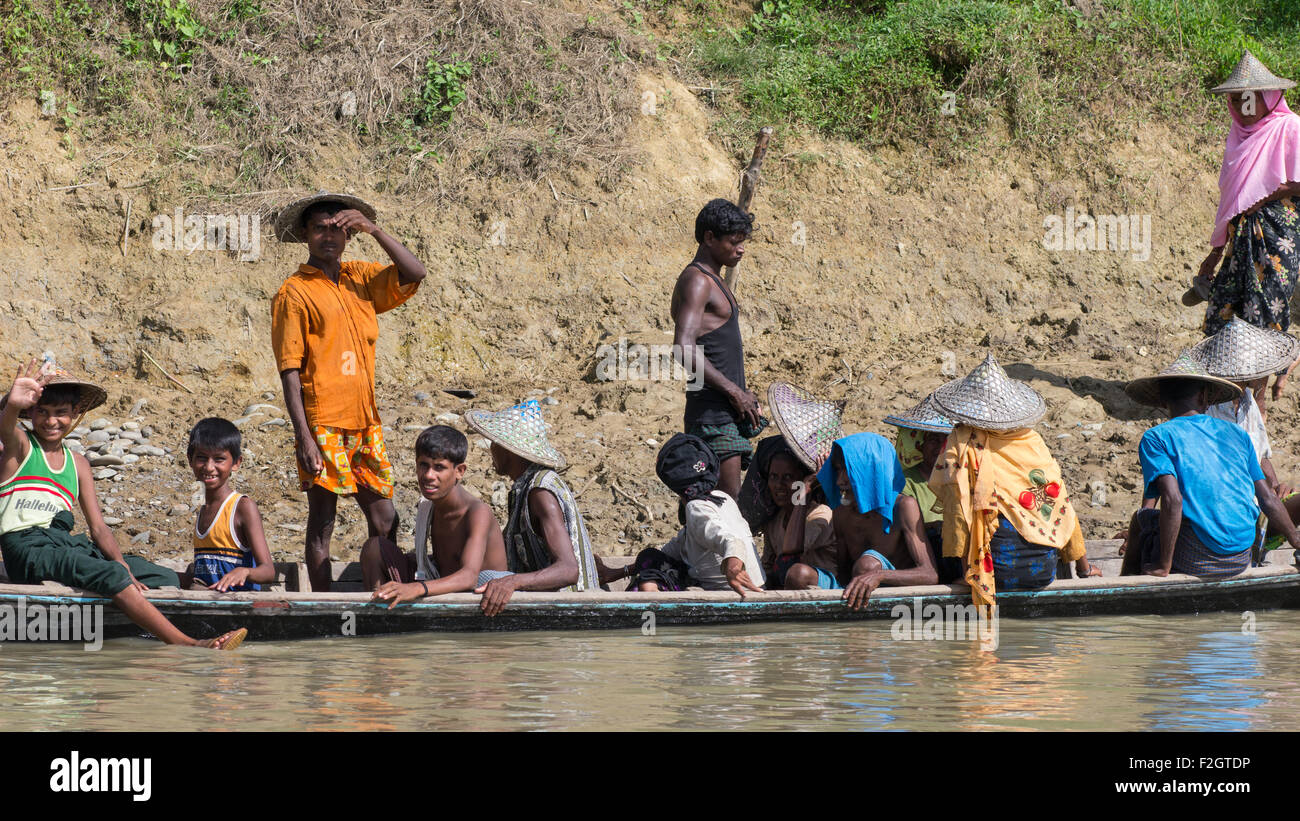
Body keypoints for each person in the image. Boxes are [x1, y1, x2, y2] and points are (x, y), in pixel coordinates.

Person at [0, 361, 245, 649]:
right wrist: (12, 406)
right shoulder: (21, 447)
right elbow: (5, 429)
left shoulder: (77, 463)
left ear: (75, 414)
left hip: (62, 546)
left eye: (61, 413)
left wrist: (122, 564)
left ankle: (160, 612)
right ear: (30, 412)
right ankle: (189, 644)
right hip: (27, 549)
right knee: (112, 574)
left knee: (160, 575)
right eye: (42, 412)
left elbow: (99, 527)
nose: (51, 421)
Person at [271, 192, 427, 591]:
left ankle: (387, 589)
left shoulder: (360, 277)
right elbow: (290, 369)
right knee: (323, 519)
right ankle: (323, 603)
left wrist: (374, 230)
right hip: (322, 422)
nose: (329, 237)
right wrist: (303, 435)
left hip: (365, 420)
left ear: (349, 236)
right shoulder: (294, 292)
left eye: (338, 229)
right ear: (305, 234)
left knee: (384, 517)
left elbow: (415, 273)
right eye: (320, 229)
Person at [928, 355, 1098, 608]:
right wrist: (1084, 568)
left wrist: (969, 574)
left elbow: (959, 511)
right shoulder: (1032, 441)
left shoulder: (963, 441)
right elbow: (1061, 505)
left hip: (993, 573)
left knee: (934, 536)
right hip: (1042, 573)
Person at [1185, 51, 1300, 408]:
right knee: (1224, 317)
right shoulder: (1237, 136)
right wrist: (1215, 251)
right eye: (1235, 99)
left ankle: (1256, 405)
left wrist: (1276, 192)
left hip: (1276, 241)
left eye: (1248, 97)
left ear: (1268, 97)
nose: (1242, 104)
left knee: (1262, 321)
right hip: (1239, 242)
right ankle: (1228, 400)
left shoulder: (1290, 127)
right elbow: (1231, 199)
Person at [1122, 352, 1300, 577]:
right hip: (1241, 557)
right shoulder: (1237, 434)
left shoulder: (1156, 437)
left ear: (1162, 399)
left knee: (1140, 521)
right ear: (1205, 397)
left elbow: (1172, 500)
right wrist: (1295, 538)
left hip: (1198, 560)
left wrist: (1163, 565)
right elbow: (1268, 498)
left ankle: (1128, 587)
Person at [467, 401, 617, 616]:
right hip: (558, 599)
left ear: (508, 450)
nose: (491, 449)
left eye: (494, 443)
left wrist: (513, 582)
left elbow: (568, 570)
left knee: (484, 578)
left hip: (570, 605)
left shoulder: (539, 492)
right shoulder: (525, 487)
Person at [670, 199, 767, 499]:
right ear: (709, 238)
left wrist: (742, 395)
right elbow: (683, 348)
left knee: (714, 504)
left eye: (743, 242)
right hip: (712, 416)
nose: (741, 249)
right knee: (725, 505)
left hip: (724, 411)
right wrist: (735, 392)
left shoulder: (714, 279)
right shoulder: (698, 281)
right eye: (734, 242)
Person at [367, 425, 509, 608]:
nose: (428, 475)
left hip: (478, 597)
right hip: (442, 584)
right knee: (373, 548)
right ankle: (377, 610)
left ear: (459, 471)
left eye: (439, 467)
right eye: (423, 465)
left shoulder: (477, 512)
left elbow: (469, 577)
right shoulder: (429, 506)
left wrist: (416, 588)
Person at [628, 433, 765, 595]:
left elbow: (731, 541)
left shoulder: (696, 508)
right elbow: (669, 551)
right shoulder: (722, 498)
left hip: (732, 591)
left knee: (646, 580)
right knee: (649, 557)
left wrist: (733, 568)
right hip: (758, 586)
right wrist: (618, 572)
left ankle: (652, 598)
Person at [815, 433, 937, 610]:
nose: (840, 480)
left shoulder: (903, 507)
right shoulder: (841, 511)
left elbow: (930, 574)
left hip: (894, 589)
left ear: (869, 471)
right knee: (798, 574)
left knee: (867, 566)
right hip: (853, 589)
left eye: (848, 471)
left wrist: (879, 576)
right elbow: (843, 575)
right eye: (837, 470)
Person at [185, 418, 275, 593]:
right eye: (202, 458)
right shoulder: (203, 508)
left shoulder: (241, 507)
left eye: (219, 459)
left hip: (238, 608)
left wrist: (245, 572)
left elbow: (268, 571)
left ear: (236, 463)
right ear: (190, 459)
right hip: (208, 607)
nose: (209, 467)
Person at [883, 393, 963, 583]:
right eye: (934, 441)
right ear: (920, 445)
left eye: (946, 441)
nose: (940, 447)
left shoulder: (958, 478)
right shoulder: (905, 481)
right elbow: (907, 524)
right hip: (924, 550)